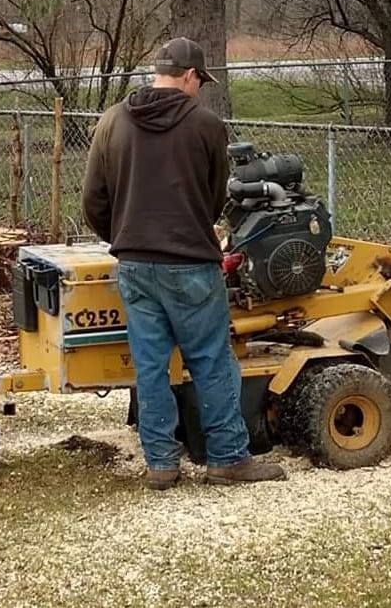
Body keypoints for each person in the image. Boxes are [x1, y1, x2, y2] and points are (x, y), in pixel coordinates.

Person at [81, 37, 286, 489]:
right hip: (191, 263)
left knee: (151, 365)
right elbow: (215, 198)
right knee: (211, 361)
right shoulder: (207, 126)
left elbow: (93, 201)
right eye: (200, 81)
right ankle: (228, 458)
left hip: (134, 264)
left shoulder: (112, 121)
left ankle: (161, 464)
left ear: (158, 72)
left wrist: (124, 237)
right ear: (191, 76)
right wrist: (195, 229)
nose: (200, 88)